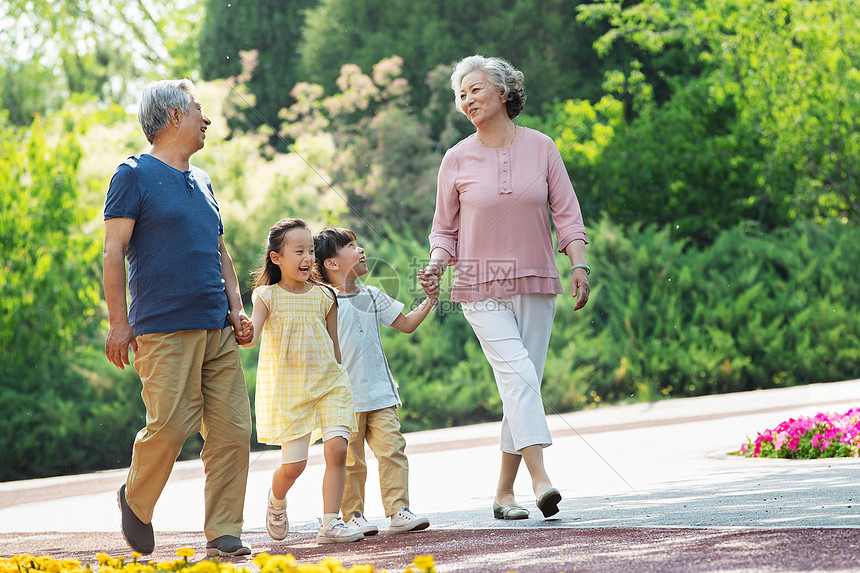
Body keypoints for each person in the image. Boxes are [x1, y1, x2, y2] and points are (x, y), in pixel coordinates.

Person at [419, 55, 591, 521]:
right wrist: (436, 264)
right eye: (461, 94)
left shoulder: (542, 147)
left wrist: (579, 266)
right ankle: (541, 478)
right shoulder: (455, 158)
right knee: (519, 376)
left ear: (503, 91)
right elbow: (443, 231)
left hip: (537, 280)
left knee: (523, 385)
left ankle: (502, 492)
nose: (467, 99)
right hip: (478, 285)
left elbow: (567, 215)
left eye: (475, 89)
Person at [103, 79, 253, 556]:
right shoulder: (132, 174)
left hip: (217, 327)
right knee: (170, 425)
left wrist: (236, 305)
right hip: (163, 327)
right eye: (197, 110)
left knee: (232, 430)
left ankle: (224, 532)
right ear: (172, 117)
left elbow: (220, 251)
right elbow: (112, 252)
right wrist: (118, 323)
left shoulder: (204, 179)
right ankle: (135, 498)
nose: (205, 119)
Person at [242, 218, 364, 545]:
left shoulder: (325, 295)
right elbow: (251, 338)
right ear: (276, 257)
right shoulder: (266, 296)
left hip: (330, 384)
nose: (307, 257)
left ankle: (330, 522)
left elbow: (334, 346)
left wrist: (339, 372)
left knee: (338, 450)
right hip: (290, 391)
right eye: (298, 251)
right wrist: (240, 329)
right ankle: (276, 500)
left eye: (310, 250)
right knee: (294, 466)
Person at [314, 227, 436, 535]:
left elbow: (406, 324)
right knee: (350, 462)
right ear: (331, 263)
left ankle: (398, 510)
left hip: (382, 393)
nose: (361, 250)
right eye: (351, 246)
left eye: (358, 244)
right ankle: (353, 514)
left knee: (393, 450)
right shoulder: (323, 301)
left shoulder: (372, 294)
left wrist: (430, 300)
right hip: (344, 400)